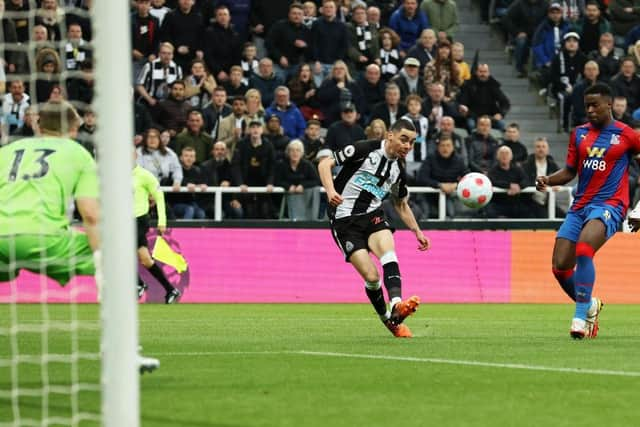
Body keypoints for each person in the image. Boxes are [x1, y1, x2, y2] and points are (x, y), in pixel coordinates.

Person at [0, 100, 160, 373]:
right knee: (119, 264)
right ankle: (121, 352)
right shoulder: (77, 153)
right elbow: (90, 214)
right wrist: (102, 257)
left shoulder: (8, 150)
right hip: (44, 237)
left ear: (39, 125)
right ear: (73, 129)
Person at [535, 83, 640, 339]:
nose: (590, 111)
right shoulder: (579, 134)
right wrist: (548, 179)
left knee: (584, 248)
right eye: (587, 106)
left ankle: (580, 318)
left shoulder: (627, 135)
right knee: (560, 267)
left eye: (595, 105)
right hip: (580, 206)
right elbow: (571, 172)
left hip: (610, 205)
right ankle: (591, 304)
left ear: (609, 104)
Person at [318, 119, 429, 338]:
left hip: (372, 216)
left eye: (412, 142)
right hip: (344, 219)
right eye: (404, 139)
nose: (407, 146)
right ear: (390, 135)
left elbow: (400, 204)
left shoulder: (398, 170)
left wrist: (417, 231)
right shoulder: (364, 149)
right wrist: (330, 191)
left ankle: (397, 304)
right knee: (371, 276)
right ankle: (389, 321)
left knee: (388, 251)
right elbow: (324, 164)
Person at [133, 150, 181, 304]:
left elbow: (159, 197)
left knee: (121, 253)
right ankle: (170, 289)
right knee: (146, 259)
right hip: (123, 221)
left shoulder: (144, 175)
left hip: (139, 220)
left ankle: (138, 284)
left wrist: (162, 221)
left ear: (134, 156)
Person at [275, 139, 321, 220]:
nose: (295, 153)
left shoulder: (308, 165)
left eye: (297, 150)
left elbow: (316, 181)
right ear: (288, 152)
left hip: (305, 197)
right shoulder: (282, 165)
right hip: (285, 198)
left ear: (302, 153)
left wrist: (303, 186)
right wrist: (288, 186)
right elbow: (277, 180)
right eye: (292, 150)